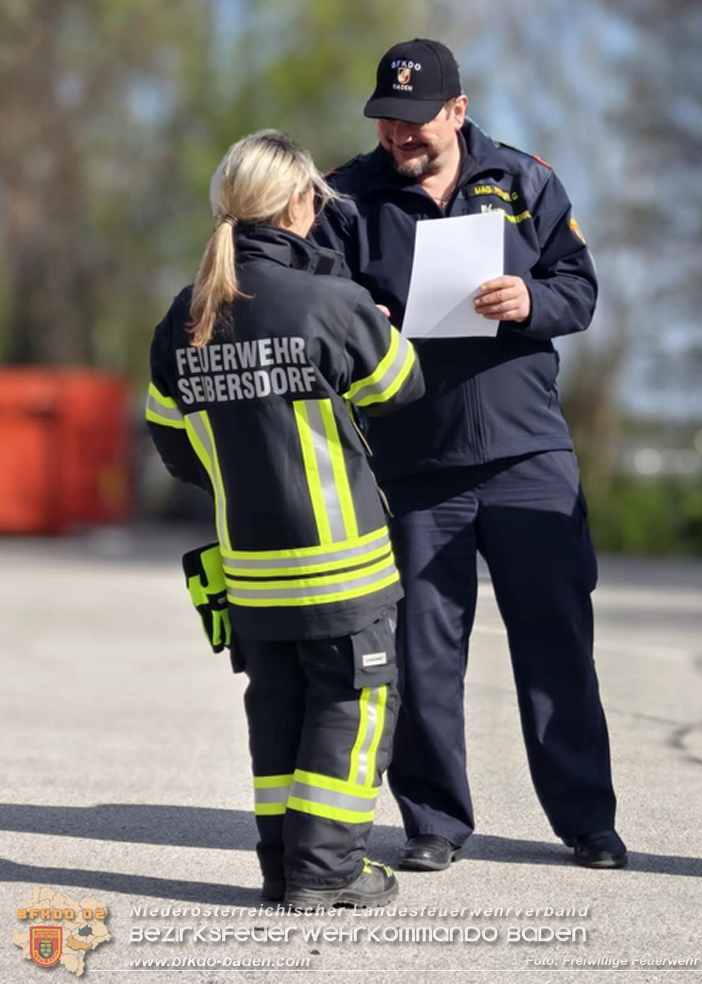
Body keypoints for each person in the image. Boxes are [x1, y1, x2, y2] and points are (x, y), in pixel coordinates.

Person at [312, 39, 627, 870]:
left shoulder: (526, 180)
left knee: (556, 642)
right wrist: (358, 320)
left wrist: (530, 299)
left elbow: (581, 289)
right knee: (421, 653)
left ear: (456, 110)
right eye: (386, 120)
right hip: (413, 462)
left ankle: (587, 820)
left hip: (527, 452)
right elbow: (321, 308)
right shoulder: (346, 196)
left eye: (415, 122)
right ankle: (435, 824)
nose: (398, 137)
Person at [145, 129, 425, 907]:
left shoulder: (187, 313)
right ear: (299, 202)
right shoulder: (328, 301)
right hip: (344, 563)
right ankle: (328, 872)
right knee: (354, 705)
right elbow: (400, 386)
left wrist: (248, 476)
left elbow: (172, 443)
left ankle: (283, 867)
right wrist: (369, 316)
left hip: (249, 566)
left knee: (279, 709)